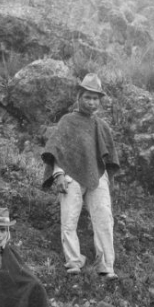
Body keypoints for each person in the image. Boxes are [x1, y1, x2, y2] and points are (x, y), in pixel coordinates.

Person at [41, 73, 121, 279]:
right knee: (69, 218)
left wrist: (109, 180)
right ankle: (73, 262)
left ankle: (106, 266)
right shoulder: (68, 121)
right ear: (79, 97)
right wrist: (58, 174)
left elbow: (108, 157)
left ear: (100, 101)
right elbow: (58, 149)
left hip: (97, 176)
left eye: (96, 98)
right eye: (88, 97)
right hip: (71, 175)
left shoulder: (101, 126)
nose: (92, 102)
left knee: (104, 218)